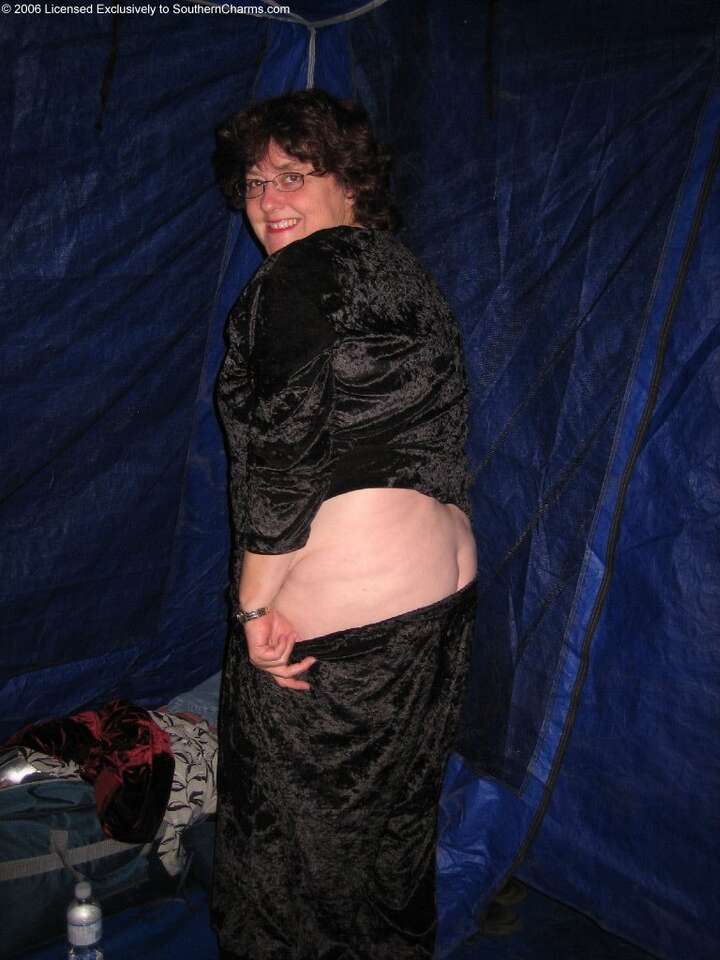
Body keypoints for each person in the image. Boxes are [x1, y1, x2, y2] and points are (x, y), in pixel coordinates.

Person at [211, 89, 477, 960]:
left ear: (351, 182)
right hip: (435, 607)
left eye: (294, 174)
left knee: (290, 874)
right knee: (389, 853)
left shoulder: (300, 275)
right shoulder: (407, 276)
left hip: (343, 629)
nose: (268, 199)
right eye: (255, 182)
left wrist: (255, 607)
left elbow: (284, 456)